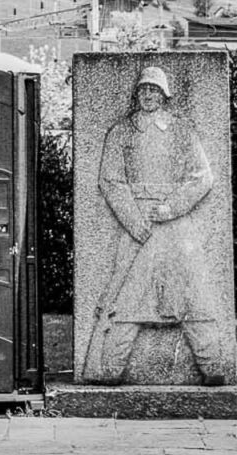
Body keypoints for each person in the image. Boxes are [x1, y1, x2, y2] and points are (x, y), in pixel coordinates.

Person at [81, 64, 228, 385]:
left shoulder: (181, 130)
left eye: (154, 90)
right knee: (126, 300)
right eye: (143, 90)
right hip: (137, 226)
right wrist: (135, 221)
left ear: (165, 95)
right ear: (137, 94)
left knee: (192, 295)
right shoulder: (121, 131)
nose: (148, 95)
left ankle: (213, 366)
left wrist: (171, 207)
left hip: (175, 226)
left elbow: (202, 177)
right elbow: (111, 180)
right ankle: (108, 369)